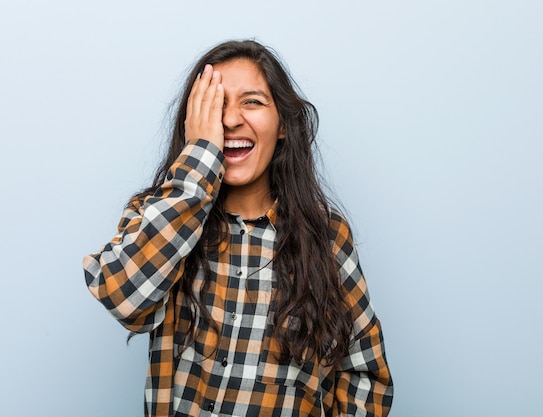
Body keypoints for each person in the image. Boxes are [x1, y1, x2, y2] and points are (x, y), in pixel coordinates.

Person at [83, 39, 393, 417]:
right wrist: (198, 163)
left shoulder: (326, 238)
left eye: (252, 102)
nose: (230, 120)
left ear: (282, 125)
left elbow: (365, 375)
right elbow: (125, 298)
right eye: (216, 105)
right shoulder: (157, 216)